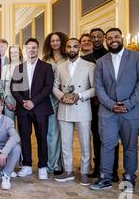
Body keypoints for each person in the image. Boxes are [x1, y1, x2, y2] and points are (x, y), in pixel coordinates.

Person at [90, 28, 139, 192]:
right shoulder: (101, 61)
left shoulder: (137, 57)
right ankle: (105, 178)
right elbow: (98, 86)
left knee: (130, 146)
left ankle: (129, 178)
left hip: (133, 111)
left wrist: (129, 103)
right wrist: (110, 104)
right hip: (108, 111)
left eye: (116, 37)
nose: (113, 40)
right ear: (106, 41)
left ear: (121, 38)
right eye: (109, 38)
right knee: (107, 144)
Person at [53, 39, 95, 186]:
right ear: (65, 48)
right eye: (69, 46)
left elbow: (95, 88)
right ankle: (68, 170)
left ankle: (84, 171)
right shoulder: (60, 67)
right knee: (65, 142)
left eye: (75, 46)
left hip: (82, 108)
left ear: (79, 48)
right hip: (64, 108)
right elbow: (54, 86)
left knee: (85, 143)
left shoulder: (90, 66)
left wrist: (80, 95)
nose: (72, 49)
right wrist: (61, 96)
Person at [11, 38, 54, 180]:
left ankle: (42, 166)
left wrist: (33, 102)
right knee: (24, 137)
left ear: (38, 49)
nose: (31, 50)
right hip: (23, 109)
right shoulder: (19, 68)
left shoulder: (46, 67)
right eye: (29, 48)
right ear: (25, 50)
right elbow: (14, 88)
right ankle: (27, 165)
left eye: (34, 47)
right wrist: (24, 102)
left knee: (42, 137)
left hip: (40, 108)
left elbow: (48, 87)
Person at [82, 28, 120, 181]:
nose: (96, 39)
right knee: (96, 137)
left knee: (111, 138)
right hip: (91, 104)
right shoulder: (85, 59)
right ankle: (98, 167)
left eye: (99, 36)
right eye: (93, 37)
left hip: (109, 103)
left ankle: (113, 170)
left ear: (104, 38)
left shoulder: (111, 55)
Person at [42, 32, 68, 175]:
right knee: (51, 134)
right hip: (50, 99)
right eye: (52, 41)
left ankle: (64, 164)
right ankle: (52, 164)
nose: (55, 43)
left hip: (66, 99)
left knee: (65, 133)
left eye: (58, 40)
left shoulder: (67, 57)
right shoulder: (46, 59)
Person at [1, 45, 23, 121]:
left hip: (22, 101)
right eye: (11, 52)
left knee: (22, 128)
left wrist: (20, 103)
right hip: (9, 100)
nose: (13, 54)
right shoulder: (5, 68)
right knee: (9, 126)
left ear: (20, 53)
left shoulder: (25, 67)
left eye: (15, 52)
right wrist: (7, 102)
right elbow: (2, 87)